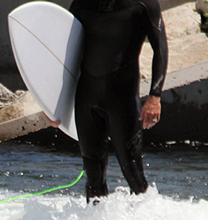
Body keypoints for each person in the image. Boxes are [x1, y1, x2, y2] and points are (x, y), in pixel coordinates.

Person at [65, 0, 168, 201]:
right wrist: (52, 103)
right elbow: (64, 53)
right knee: (94, 179)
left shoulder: (143, 4)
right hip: (86, 98)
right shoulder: (81, 3)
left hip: (123, 99)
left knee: (134, 175)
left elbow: (160, 49)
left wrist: (155, 96)